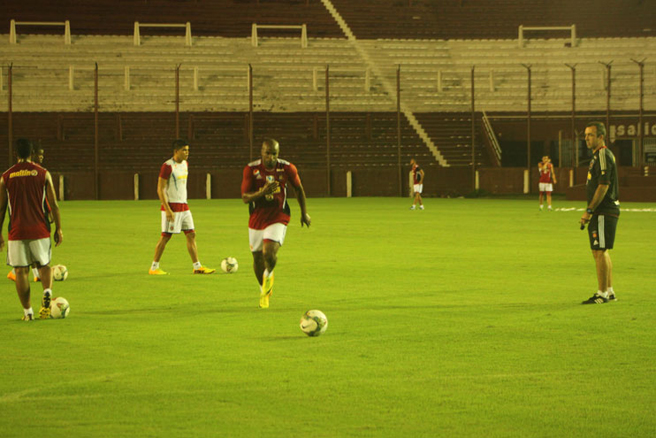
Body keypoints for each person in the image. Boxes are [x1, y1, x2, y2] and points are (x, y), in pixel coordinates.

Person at [241, 138, 311, 308]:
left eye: (274, 154)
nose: (271, 157)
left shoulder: (287, 168)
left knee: (269, 253)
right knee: (257, 258)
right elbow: (245, 197)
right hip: (257, 217)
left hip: (279, 215)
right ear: (262, 152)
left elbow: (298, 189)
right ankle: (263, 289)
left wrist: (304, 213)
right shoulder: (251, 169)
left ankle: (269, 273)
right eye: (268, 153)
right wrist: (262, 192)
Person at [0, 139, 63, 320]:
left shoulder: (6, 177)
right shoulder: (43, 173)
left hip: (17, 231)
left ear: (15, 154)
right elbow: (54, 204)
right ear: (31, 153)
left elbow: (1, 208)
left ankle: (28, 312)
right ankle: (47, 291)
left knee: (20, 271)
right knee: (43, 265)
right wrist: (58, 229)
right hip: (40, 229)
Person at [149, 139, 215, 275]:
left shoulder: (185, 164)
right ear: (176, 151)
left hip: (184, 206)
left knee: (191, 234)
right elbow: (160, 189)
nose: (187, 153)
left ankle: (197, 267)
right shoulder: (167, 166)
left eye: (188, 150)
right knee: (165, 237)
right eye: (184, 150)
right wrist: (167, 209)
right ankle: (154, 267)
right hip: (172, 206)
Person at [579, 122, 620, 304]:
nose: (586, 138)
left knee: (600, 250)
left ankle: (601, 293)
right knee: (600, 250)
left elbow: (603, 185)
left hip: (603, 210)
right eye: (586, 135)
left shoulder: (603, 154)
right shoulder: (597, 156)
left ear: (601, 137)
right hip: (602, 211)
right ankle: (609, 290)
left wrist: (589, 210)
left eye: (590, 135)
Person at [7, 145, 49, 283]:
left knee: (29, 246)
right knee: (33, 246)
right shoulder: (36, 172)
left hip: (25, 218)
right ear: (32, 154)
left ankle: (20, 272)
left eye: (42, 155)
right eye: (39, 154)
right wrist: (49, 210)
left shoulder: (37, 171)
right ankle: (34, 273)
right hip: (29, 217)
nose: (41, 157)